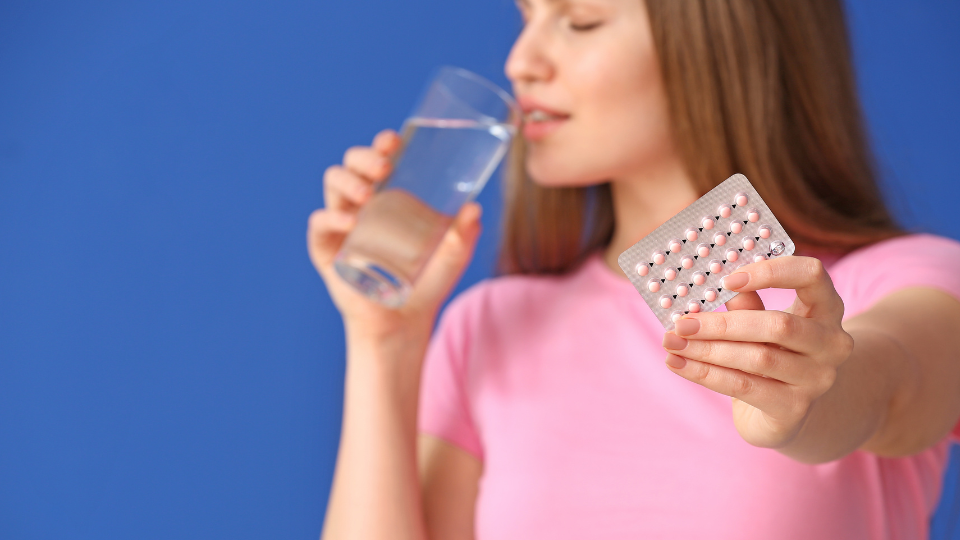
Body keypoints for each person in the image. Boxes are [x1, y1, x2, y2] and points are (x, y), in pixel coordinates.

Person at [308, 0, 960, 538]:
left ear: (720, 37)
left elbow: (888, 387)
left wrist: (804, 396)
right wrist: (383, 340)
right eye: (526, 18)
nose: (520, 63)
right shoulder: (491, 326)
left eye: (580, 21)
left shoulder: (911, 279)